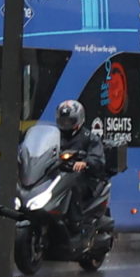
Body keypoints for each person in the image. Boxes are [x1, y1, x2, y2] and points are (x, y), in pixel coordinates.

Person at [54, 99, 108, 236]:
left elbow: (97, 159)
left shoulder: (89, 138)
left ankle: (75, 223)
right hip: (58, 175)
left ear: (78, 120)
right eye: (63, 121)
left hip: (84, 178)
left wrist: (85, 162)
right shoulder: (55, 136)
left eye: (69, 121)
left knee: (72, 187)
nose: (66, 124)